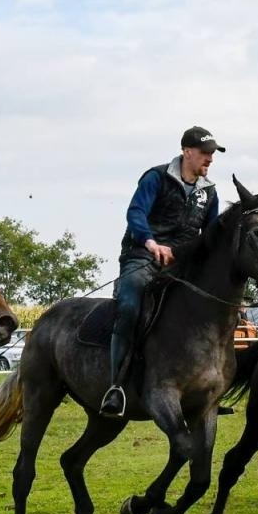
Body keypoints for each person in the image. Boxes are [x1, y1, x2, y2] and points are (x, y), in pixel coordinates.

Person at [102, 126, 224, 418]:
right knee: (130, 308)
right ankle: (115, 386)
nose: (209, 159)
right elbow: (135, 213)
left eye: (212, 154)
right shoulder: (155, 177)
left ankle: (208, 388)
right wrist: (152, 243)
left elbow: (210, 236)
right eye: (205, 153)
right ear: (187, 152)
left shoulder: (209, 192)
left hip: (181, 266)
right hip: (141, 256)